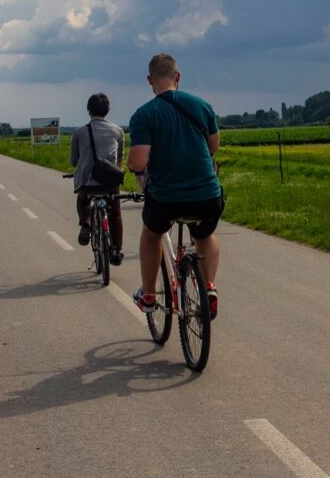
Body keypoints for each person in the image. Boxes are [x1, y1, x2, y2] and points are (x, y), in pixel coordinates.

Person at [126, 53, 224, 318]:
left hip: (166, 198)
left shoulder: (144, 115)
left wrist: (135, 169)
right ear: (177, 77)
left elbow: (138, 161)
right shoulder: (202, 106)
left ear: (150, 80)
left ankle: (148, 296)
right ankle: (209, 288)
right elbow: (213, 146)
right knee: (205, 236)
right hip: (207, 195)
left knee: (152, 234)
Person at [70, 93, 126, 265]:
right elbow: (119, 159)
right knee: (115, 214)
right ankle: (116, 250)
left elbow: (74, 161)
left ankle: (85, 224)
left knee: (82, 199)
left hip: (87, 183)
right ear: (107, 111)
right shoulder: (118, 131)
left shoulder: (79, 132)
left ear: (89, 111)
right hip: (110, 183)